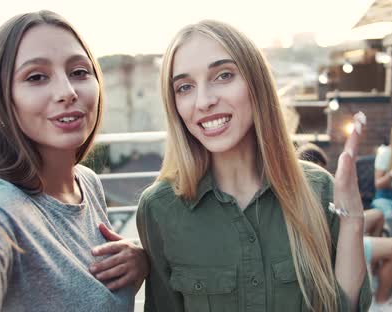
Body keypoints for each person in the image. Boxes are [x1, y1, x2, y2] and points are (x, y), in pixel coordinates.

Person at [130, 20, 371, 311]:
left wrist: (354, 219)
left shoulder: (319, 190)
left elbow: (345, 307)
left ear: (256, 84)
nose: (204, 101)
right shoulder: (159, 209)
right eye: (184, 87)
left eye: (223, 75)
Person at [0, 11, 147, 311]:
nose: (68, 92)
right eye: (36, 77)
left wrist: (141, 261)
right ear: (1, 106)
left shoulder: (87, 182)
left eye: (79, 72)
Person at [298, 143, 392, 312]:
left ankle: (372, 269)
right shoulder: (300, 195)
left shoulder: (323, 186)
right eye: (318, 171)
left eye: (324, 170)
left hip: (338, 226)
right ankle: (380, 301)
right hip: (333, 241)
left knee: (377, 215)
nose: (322, 178)